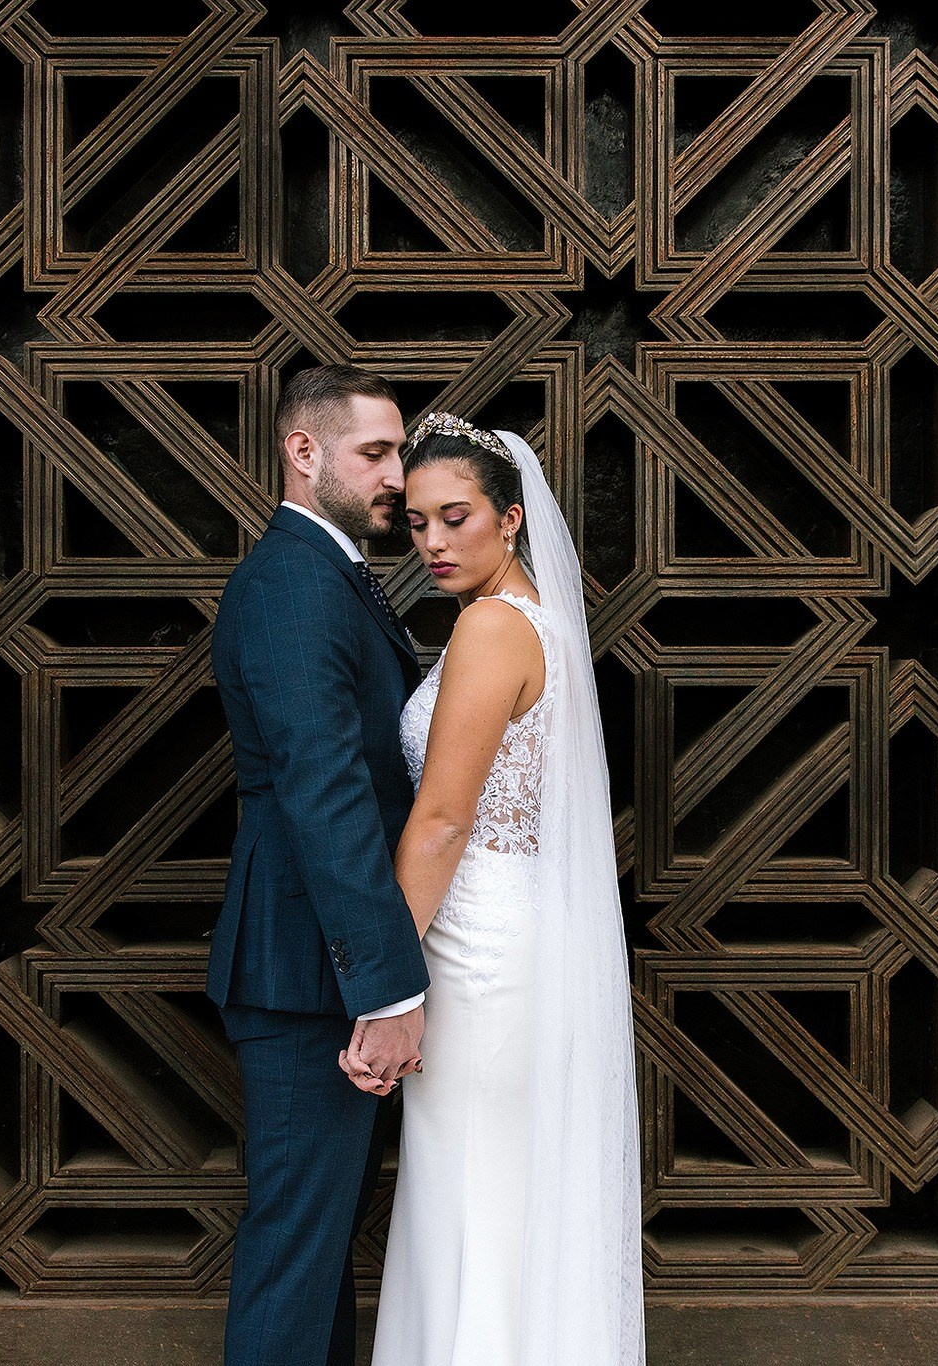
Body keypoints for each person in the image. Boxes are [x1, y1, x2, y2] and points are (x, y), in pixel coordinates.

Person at [362, 412, 645, 1365]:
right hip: (508, 927)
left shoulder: (489, 629)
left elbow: (442, 821)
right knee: (487, 1190)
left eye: (457, 519)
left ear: (513, 520)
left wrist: (381, 980)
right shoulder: (535, 626)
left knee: (472, 1193)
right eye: (416, 523)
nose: (433, 543)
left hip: (478, 946)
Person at [207, 365, 430, 1365]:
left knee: (320, 1239)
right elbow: (325, 788)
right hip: (308, 972)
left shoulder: (332, 573)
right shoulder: (292, 583)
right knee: (297, 1246)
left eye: (399, 451)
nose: (397, 474)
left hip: (316, 964)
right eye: (374, 452)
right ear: (304, 452)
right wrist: (383, 990)